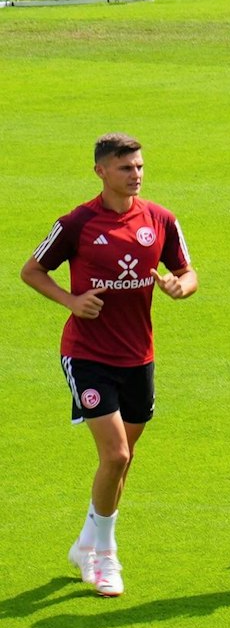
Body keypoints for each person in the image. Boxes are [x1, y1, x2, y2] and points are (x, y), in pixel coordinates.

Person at [23, 133, 197, 598]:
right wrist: (70, 301)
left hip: (137, 355)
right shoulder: (77, 223)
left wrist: (182, 287)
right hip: (87, 354)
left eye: (139, 166)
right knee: (116, 454)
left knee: (122, 460)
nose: (136, 175)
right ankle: (105, 557)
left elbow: (187, 271)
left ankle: (85, 542)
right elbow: (32, 270)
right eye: (125, 168)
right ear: (101, 171)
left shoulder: (159, 219)